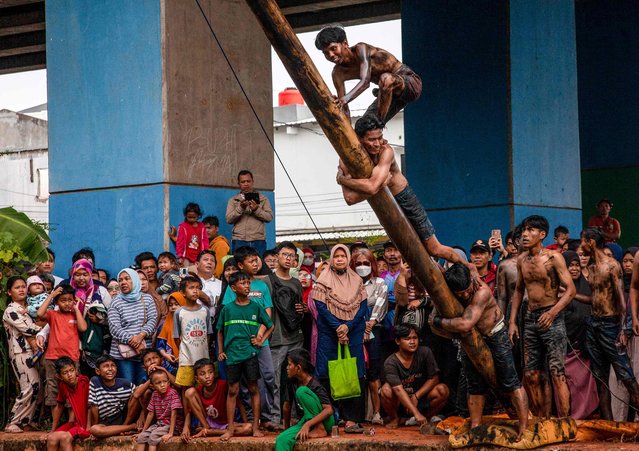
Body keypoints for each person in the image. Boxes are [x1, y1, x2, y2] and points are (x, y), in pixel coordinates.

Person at [337, 116, 474, 274]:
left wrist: (343, 180)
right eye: (371, 139)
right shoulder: (346, 159)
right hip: (385, 206)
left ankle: (470, 269)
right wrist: (378, 184)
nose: (377, 143)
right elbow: (350, 198)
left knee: (434, 249)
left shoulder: (386, 151)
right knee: (413, 254)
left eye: (380, 137)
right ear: (360, 139)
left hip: (404, 198)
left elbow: (372, 187)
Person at [431, 264, 529, 438]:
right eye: (460, 294)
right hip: (469, 339)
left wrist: (441, 322)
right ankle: (475, 427)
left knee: (511, 381)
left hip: (495, 334)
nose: (466, 295)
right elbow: (433, 327)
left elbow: (464, 324)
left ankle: (524, 427)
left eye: (467, 290)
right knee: (475, 385)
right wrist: (449, 327)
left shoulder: (481, 291)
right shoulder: (447, 292)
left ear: (472, 281)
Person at [508, 215, 575, 418]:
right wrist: (512, 322)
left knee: (557, 372)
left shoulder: (553, 257)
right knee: (531, 374)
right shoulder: (522, 260)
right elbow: (519, 291)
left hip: (552, 318)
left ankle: (564, 422)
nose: (525, 235)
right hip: (530, 319)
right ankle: (539, 420)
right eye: (524, 231)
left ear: (542, 234)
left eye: (531, 230)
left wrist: (553, 312)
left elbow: (570, 290)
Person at [580, 227, 639, 420]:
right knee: (599, 376)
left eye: (583, 241)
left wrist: (623, 328)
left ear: (591, 242)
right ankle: (607, 424)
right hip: (594, 323)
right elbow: (595, 299)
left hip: (610, 324)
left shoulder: (612, 265)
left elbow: (622, 301)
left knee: (624, 372)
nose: (581, 246)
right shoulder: (591, 267)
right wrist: (568, 294)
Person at [313, 244, 369, 433]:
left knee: (353, 371)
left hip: (353, 331)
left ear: (348, 259)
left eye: (342, 256)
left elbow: (362, 307)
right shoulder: (323, 279)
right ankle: (332, 417)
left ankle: (352, 419)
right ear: (331, 258)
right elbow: (320, 306)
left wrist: (347, 326)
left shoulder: (357, 279)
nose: (339, 259)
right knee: (328, 371)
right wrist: (337, 327)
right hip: (329, 332)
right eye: (336, 256)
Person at [315, 25, 421, 122]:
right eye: (325, 53)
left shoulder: (361, 49)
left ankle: (378, 123)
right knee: (365, 126)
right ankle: (373, 126)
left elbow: (365, 82)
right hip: (386, 94)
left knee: (386, 79)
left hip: (409, 83)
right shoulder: (337, 73)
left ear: (345, 43)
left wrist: (345, 99)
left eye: (333, 49)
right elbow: (344, 107)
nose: (331, 55)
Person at [221, 246, 277, 428]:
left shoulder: (262, 286)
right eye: (251, 261)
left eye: (256, 260)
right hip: (241, 344)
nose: (256, 264)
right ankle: (253, 418)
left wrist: (260, 336)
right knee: (245, 382)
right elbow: (231, 312)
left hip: (261, 341)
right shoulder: (233, 288)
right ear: (240, 265)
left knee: (268, 375)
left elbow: (268, 312)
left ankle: (268, 417)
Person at [263, 241, 306, 427]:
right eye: (285, 255)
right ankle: (273, 418)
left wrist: (302, 309)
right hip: (276, 338)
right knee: (274, 380)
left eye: (292, 256)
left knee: (296, 378)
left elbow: (298, 311)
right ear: (277, 257)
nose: (288, 259)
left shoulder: (297, 283)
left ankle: (296, 416)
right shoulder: (266, 281)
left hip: (295, 337)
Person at [381, 324, 449, 429]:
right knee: (385, 390)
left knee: (442, 390)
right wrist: (416, 412)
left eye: (415, 338)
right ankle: (395, 418)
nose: (412, 342)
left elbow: (434, 378)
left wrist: (416, 396)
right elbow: (398, 389)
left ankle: (425, 418)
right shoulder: (391, 362)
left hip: (421, 398)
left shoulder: (425, 352)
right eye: (407, 339)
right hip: (400, 401)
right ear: (398, 341)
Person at [350, 246, 387, 424]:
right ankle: (355, 414)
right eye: (358, 264)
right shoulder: (349, 283)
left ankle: (376, 413)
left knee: (373, 373)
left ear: (372, 264)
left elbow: (381, 305)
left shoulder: (379, 283)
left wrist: (369, 326)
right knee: (357, 372)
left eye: (366, 263)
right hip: (353, 331)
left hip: (374, 331)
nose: (362, 266)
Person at [561, 250, 598, 419]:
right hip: (564, 346)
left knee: (584, 383)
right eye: (570, 265)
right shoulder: (558, 289)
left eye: (577, 265)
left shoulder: (587, 287)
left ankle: (584, 415)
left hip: (584, 346)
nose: (574, 269)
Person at [37, 284, 87, 410]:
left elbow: (83, 328)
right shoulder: (53, 314)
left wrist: (76, 309)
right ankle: (55, 423)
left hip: (72, 358)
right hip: (53, 357)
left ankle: (72, 421)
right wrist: (52, 295)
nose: (67, 303)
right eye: (63, 300)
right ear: (57, 302)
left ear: (74, 300)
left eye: (70, 300)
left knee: (72, 387)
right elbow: (39, 313)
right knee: (53, 387)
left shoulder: (75, 315)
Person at [2, 276, 42, 433]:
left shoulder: (26, 310)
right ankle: (13, 421)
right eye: (17, 287)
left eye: (23, 286)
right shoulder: (11, 311)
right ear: (9, 292)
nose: (21, 290)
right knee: (28, 387)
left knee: (36, 386)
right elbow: (29, 329)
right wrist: (49, 328)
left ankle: (26, 421)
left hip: (31, 353)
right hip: (20, 353)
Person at [277, 349, 335, 451]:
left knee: (301, 391)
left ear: (298, 368)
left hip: (325, 422)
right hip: (306, 420)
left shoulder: (315, 384)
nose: (287, 368)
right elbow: (287, 406)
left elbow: (329, 410)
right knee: (282, 439)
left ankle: (319, 429)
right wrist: (287, 429)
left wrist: (308, 424)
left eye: (289, 365)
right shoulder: (291, 382)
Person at [108, 268, 158, 384]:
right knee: (127, 386)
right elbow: (115, 329)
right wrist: (134, 342)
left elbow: (152, 320)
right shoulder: (116, 302)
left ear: (134, 280)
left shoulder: (147, 299)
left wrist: (141, 336)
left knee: (144, 385)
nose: (123, 282)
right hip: (123, 355)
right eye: (120, 280)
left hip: (144, 353)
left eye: (127, 279)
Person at [182, 358, 252, 441]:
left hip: (227, 424)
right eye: (202, 374)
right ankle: (206, 427)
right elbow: (189, 412)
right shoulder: (198, 391)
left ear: (214, 373)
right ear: (197, 378)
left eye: (210, 372)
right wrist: (185, 428)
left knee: (248, 428)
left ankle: (211, 432)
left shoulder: (223, 385)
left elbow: (240, 404)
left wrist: (245, 422)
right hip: (208, 422)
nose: (207, 376)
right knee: (189, 392)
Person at [173, 276, 214, 388]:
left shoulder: (204, 310)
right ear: (182, 292)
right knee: (186, 388)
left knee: (202, 388)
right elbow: (176, 337)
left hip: (203, 357)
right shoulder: (179, 312)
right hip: (187, 359)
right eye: (191, 288)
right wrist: (183, 351)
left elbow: (208, 334)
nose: (195, 291)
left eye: (197, 288)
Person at [87, 355, 140, 438]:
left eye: (113, 365)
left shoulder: (125, 383)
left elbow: (140, 395)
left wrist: (141, 417)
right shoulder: (95, 381)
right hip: (105, 421)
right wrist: (93, 428)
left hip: (123, 418)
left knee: (138, 393)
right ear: (98, 371)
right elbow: (94, 407)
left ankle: (126, 426)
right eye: (106, 366)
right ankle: (130, 427)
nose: (110, 369)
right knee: (95, 429)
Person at [225, 169, 273, 256]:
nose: (246, 184)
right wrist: (241, 208)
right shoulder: (233, 200)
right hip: (239, 240)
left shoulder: (263, 199)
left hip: (258, 240)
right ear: (239, 184)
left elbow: (269, 217)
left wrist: (256, 209)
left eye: (248, 181)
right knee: (240, 267)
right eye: (243, 182)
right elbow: (229, 219)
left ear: (253, 182)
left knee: (258, 266)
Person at [47, 357, 91, 450]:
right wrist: (53, 430)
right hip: (76, 424)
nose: (70, 375)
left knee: (65, 438)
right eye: (65, 373)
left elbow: (90, 406)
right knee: (51, 438)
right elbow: (59, 406)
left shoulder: (84, 382)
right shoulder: (63, 385)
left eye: (71, 370)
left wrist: (88, 428)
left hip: (85, 424)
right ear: (59, 376)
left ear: (76, 370)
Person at [136, 368, 183, 450]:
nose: (162, 385)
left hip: (172, 425)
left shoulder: (173, 393)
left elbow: (174, 414)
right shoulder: (154, 394)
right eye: (158, 383)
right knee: (141, 437)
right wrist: (143, 431)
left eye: (165, 381)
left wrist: (170, 433)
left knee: (153, 437)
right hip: (159, 424)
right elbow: (150, 414)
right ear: (152, 386)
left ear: (168, 382)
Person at [156, 293, 186, 375]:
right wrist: (165, 355)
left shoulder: (189, 321)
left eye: (177, 304)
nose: (173, 307)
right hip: (170, 362)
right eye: (170, 305)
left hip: (187, 359)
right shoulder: (164, 324)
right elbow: (160, 345)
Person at [136, 252, 168, 322]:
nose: (149, 270)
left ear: (157, 268)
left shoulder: (166, 286)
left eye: (152, 267)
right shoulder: (137, 291)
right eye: (145, 268)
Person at [175, 202, 209, 266]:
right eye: (189, 217)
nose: (192, 219)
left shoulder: (201, 227)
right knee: (185, 274)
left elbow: (205, 241)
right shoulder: (183, 227)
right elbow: (179, 242)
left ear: (198, 216)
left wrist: (205, 254)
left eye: (194, 217)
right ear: (185, 215)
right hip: (186, 257)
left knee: (197, 274)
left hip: (199, 257)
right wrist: (180, 256)